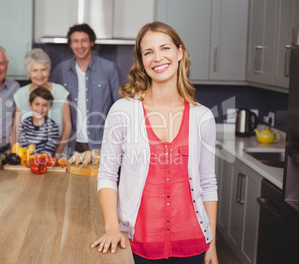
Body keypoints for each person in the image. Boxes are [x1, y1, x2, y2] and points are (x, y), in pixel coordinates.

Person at [91, 22, 219, 264]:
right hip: (138, 245)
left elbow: (208, 183)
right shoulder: (123, 111)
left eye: (165, 48)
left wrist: (211, 243)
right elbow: (107, 175)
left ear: (179, 52)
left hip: (193, 245)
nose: (157, 57)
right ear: (141, 61)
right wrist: (111, 228)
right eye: (148, 52)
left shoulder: (202, 117)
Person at [50, 23, 120, 154]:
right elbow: (51, 104)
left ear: (92, 42)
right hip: (72, 144)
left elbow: (119, 105)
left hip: (102, 143)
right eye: (75, 41)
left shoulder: (109, 69)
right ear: (70, 45)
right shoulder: (61, 70)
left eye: (84, 41)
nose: (80, 45)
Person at [13, 48, 71, 157]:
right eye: (35, 70)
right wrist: (14, 154)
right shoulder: (20, 95)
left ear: (49, 71)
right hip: (27, 158)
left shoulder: (61, 92)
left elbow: (67, 126)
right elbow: (16, 129)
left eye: (43, 69)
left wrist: (57, 154)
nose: (40, 74)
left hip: (56, 157)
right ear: (28, 73)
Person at [18, 87, 59, 155]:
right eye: (37, 104)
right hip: (26, 160)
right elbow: (23, 146)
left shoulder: (52, 127)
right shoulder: (25, 124)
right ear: (30, 105)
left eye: (44, 105)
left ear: (50, 107)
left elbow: (49, 151)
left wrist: (38, 159)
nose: (40, 108)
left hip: (43, 162)